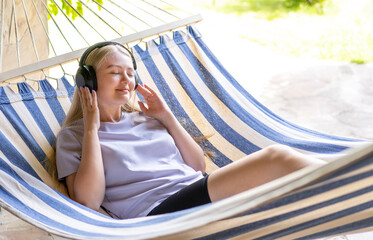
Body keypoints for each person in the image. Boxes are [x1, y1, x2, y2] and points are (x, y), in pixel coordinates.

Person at [55, 42, 325, 219]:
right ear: (87, 80)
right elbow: (88, 201)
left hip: (196, 196)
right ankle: (355, 180)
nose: (126, 80)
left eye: (130, 72)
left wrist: (167, 118)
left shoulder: (148, 119)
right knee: (276, 159)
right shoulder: (75, 136)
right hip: (159, 217)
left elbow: (197, 167)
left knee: (284, 199)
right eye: (115, 72)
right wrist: (92, 127)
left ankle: (349, 188)